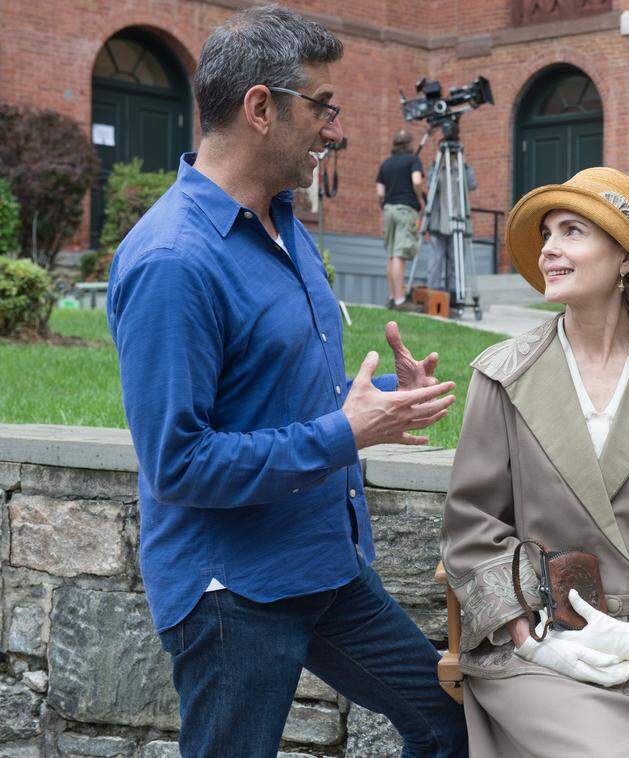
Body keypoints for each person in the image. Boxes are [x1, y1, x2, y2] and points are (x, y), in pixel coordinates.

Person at [105, 7, 467, 757]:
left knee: (447, 718)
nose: (334, 129)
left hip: (322, 565)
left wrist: (372, 409)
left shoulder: (282, 220)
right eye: (322, 105)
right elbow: (177, 463)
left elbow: (272, 396)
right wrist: (345, 432)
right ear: (261, 108)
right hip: (231, 591)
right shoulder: (174, 260)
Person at [441, 167, 629, 757]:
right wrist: (530, 638)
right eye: (548, 233)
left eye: (572, 231)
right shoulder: (502, 374)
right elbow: (472, 522)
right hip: (530, 651)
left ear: (626, 259)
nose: (549, 248)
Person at [377, 129, 426, 310]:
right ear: (409, 144)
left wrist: (384, 206)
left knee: (391, 254)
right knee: (399, 254)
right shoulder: (414, 161)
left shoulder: (386, 164)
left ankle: (392, 297)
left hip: (388, 209)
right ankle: (400, 300)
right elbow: (417, 181)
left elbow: (380, 192)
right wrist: (420, 198)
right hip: (406, 210)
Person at [425, 159, 477, 303]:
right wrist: (437, 166)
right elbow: (430, 186)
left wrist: (465, 166)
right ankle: (433, 294)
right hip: (438, 221)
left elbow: (472, 184)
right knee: (436, 260)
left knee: (457, 260)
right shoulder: (436, 166)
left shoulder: (462, 167)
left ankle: (455, 297)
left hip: (458, 222)